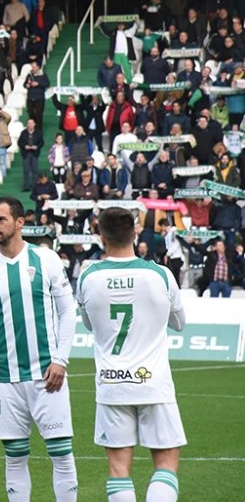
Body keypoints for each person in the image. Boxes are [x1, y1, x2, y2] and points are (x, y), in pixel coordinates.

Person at [0, 197, 78, 502]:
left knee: (61, 452)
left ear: (19, 222)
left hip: (48, 375)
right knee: (14, 455)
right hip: (4, 378)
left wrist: (60, 359)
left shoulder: (45, 259)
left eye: (0, 219)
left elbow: (68, 312)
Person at [76, 207, 186, 502]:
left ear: (101, 237)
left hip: (112, 384)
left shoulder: (88, 277)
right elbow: (179, 323)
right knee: (166, 464)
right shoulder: (161, 274)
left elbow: (90, 324)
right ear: (135, 232)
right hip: (154, 383)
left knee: (118, 470)